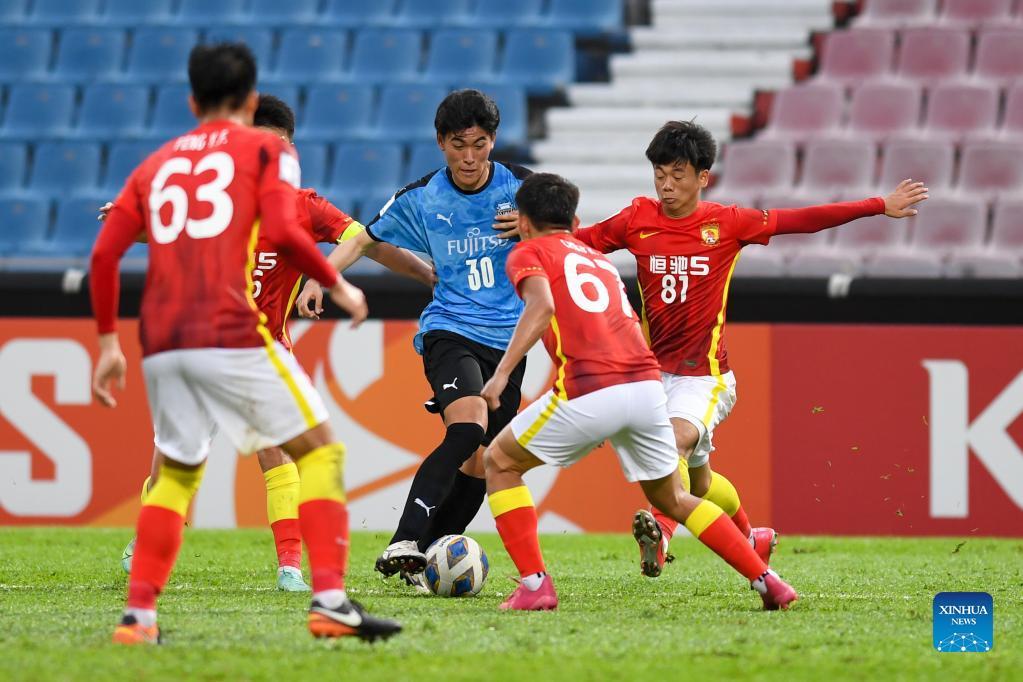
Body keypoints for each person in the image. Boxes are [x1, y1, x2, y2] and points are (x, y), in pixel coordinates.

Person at [90, 43, 401, 644]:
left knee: (176, 476)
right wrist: (335, 282)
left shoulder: (157, 164)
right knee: (323, 452)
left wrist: (107, 344)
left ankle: (139, 618)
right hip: (235, 334)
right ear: (251, 100)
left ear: (191, 101)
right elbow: (284, 227)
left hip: (163, 342)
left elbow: (105, 254)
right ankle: (331, 602)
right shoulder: (265, 151)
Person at [571, 121, 928, 577]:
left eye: (678, 174)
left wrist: (879, 205)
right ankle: (751, 536)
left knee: (670, 445)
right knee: (698, 483)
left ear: (703, 177)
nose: (666, 184)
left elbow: (804, 220)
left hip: (706, 379)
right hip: (652, 375)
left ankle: (660, 532)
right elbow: (578, 245)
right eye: (659, 173)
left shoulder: (727, 223)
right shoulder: (636, 219)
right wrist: (528, 239)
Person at [117, 94, 434, 592]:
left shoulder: (305, 207)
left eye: (279, 147)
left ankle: (290, 565)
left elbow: (368, 241)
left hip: (265, 350)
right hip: (200, 345)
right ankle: (150, 539)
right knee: (176, 460)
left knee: (278, 450)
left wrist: (422, 275)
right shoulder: (216, 201)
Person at [479, 172, 798, 611]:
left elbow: (542, 306)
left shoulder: (527, 250)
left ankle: (535, 585)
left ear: (526, 222)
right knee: (675, 498)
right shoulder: (597, 260)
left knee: (498, 462)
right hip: (647, 387)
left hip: (590, 388)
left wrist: (500, 375)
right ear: (573, 220)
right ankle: (768, 581)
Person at [296, 89, 531, 581]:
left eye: (480, 144)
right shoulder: (423, 197)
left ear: (494, 141)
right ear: (440, 142)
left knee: (481, 460)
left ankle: (417, 557)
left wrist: (535, 228)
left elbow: (570, 232)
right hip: (451, 330)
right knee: (467, 429)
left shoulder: (522, 190)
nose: (470, 157)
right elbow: (364, 239)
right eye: (458, 145)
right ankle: (403, 538)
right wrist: (321, 276)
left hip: (509, 344)